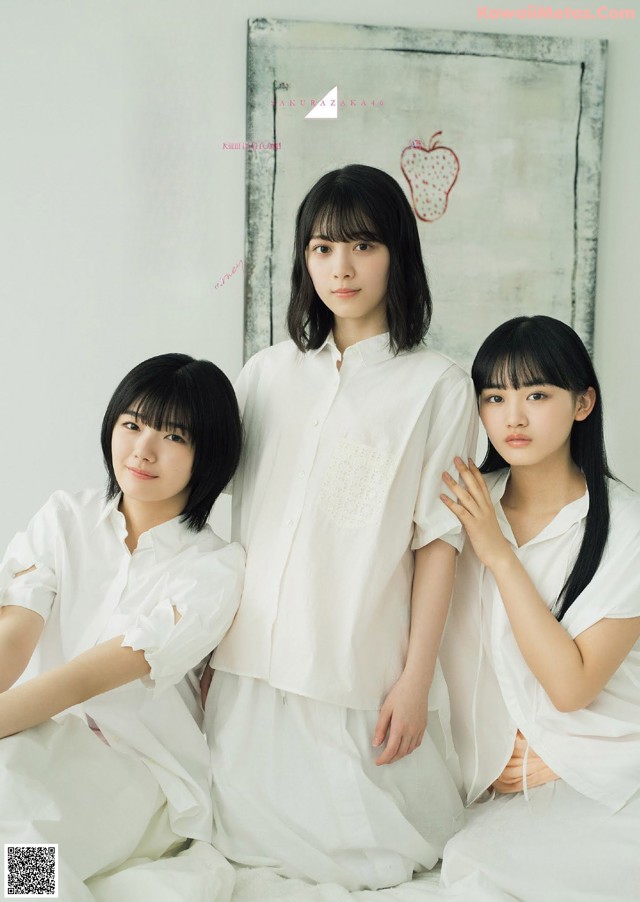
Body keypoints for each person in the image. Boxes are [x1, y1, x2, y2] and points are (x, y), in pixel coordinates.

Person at [202, 164, 478, 891]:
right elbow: (210, 511)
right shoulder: (264, 375)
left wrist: (417, 680)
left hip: (354, 665)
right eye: (322, 248)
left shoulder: (437, 387)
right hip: (250, 664)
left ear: (398, 255)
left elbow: (438, 543)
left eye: (363, 245)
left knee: (381, 856)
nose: (341, 267)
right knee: (239, 850)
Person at [0, 353, 245, 902]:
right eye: (132, 424)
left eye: (174, 435)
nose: (143, 449)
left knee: (23, 833)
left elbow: (90, 678)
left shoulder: (215, 567)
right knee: (12, 788)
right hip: (35, 733)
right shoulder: (66, 516)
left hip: (139, 766)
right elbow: (14, 637)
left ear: (207, 453)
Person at [438, 316, 640, 901]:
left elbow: (570, 687)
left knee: (477, 870)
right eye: (494, 397)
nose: (513, 416)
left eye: (537, 395)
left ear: (583, 403)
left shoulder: (624, 527)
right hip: (479, 782)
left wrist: (500, 555)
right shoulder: (460, 500)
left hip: (598, 771)